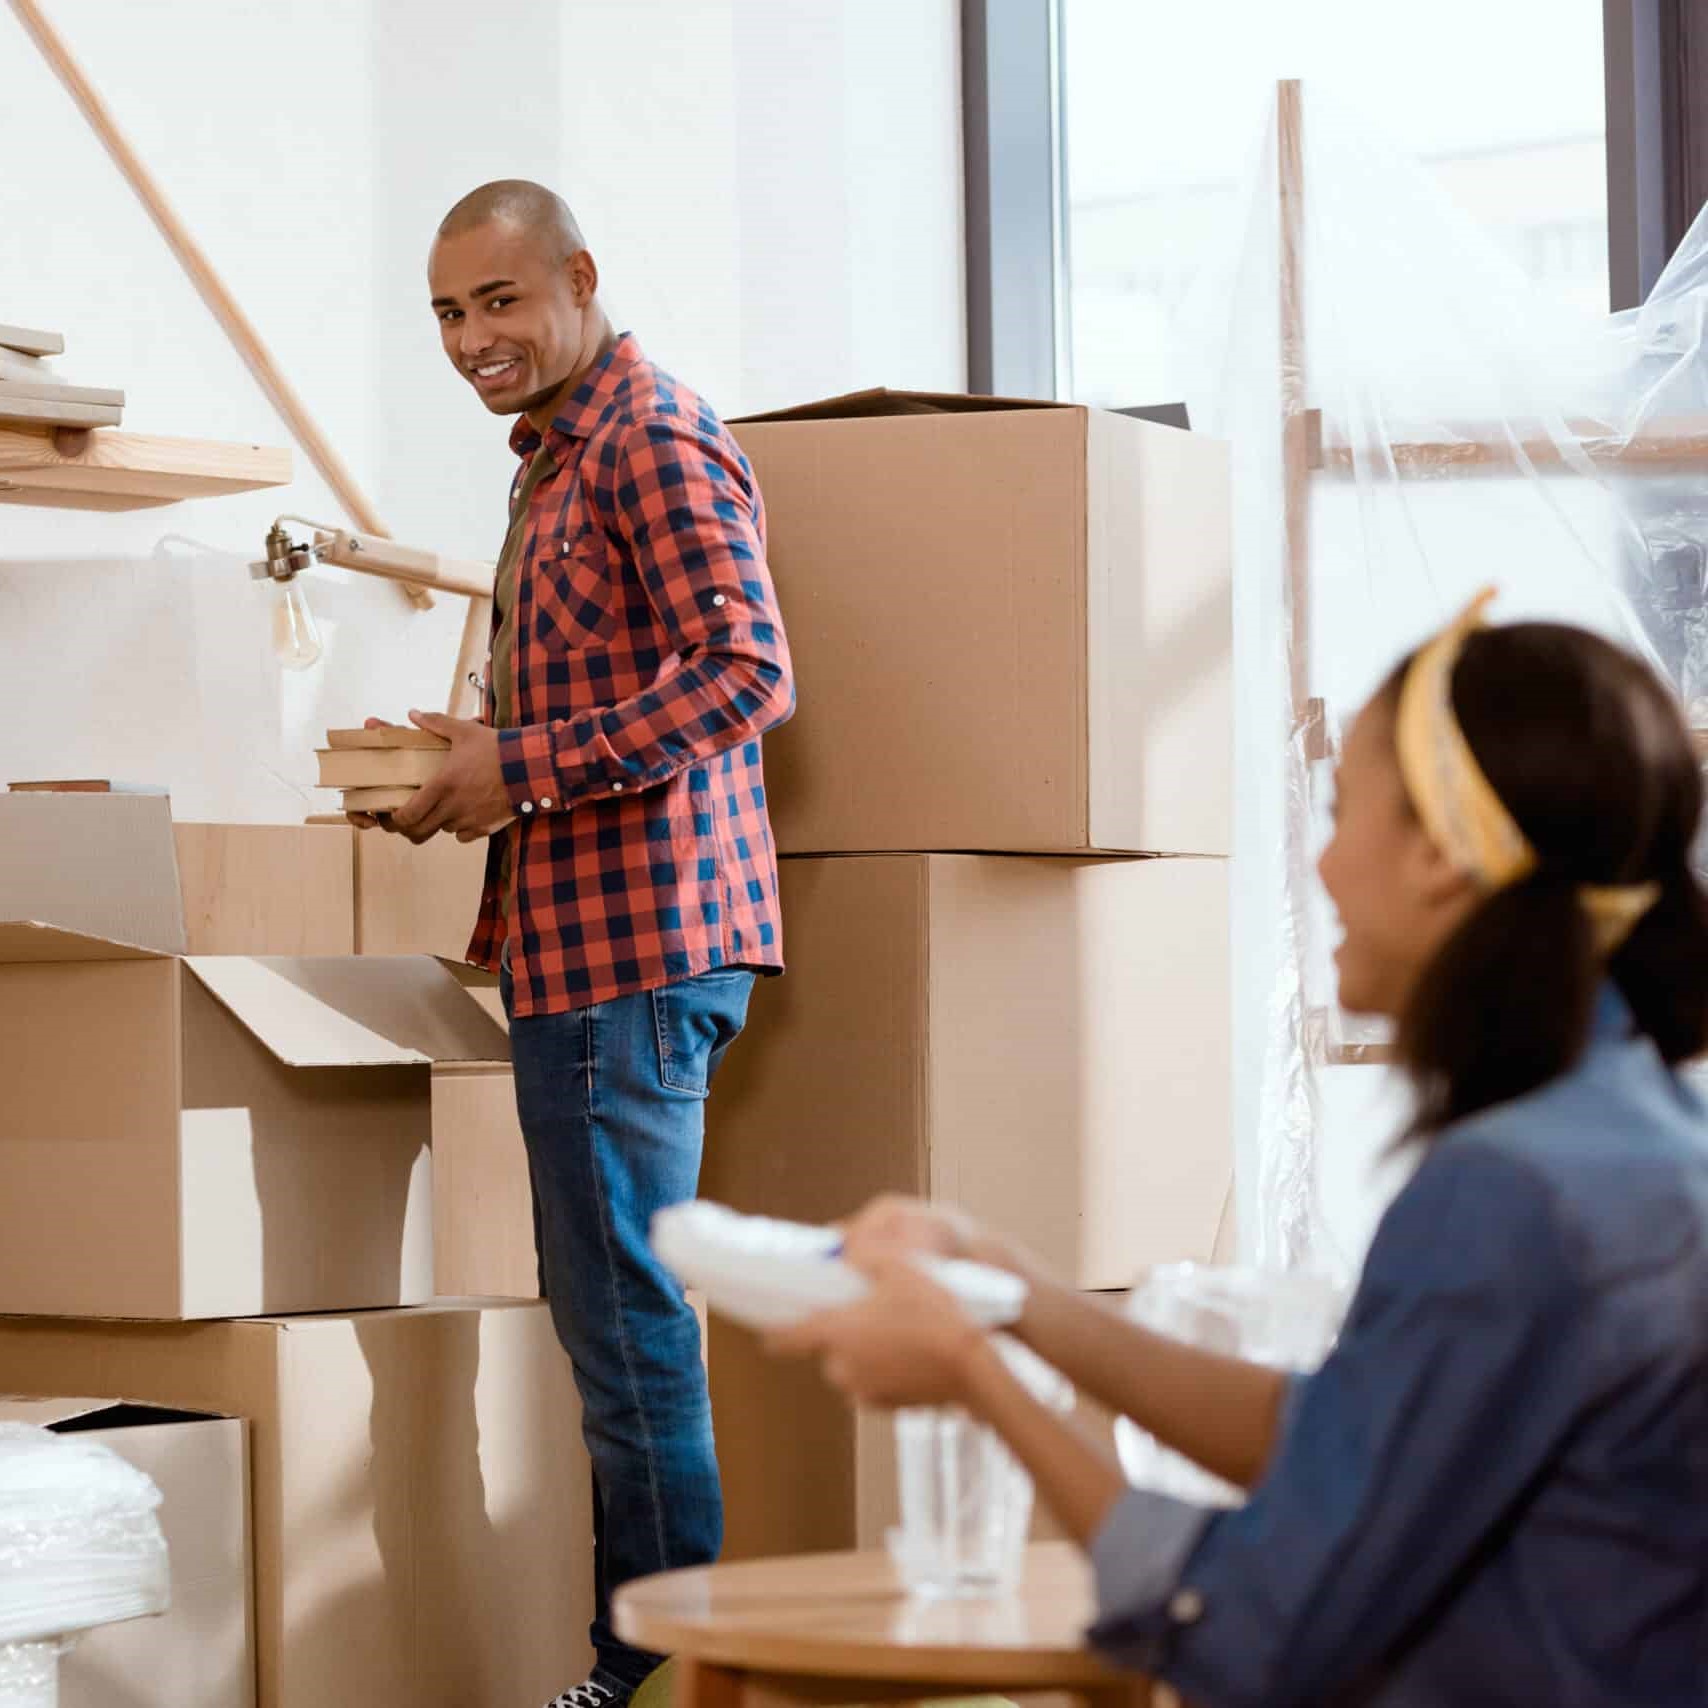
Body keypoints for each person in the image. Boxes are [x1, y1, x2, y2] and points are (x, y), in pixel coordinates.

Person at [773, 592, 1708, 1707]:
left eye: (1339, 806)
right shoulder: (1637, 1137)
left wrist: (975, 1377)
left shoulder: (1508, 1195)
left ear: (1439, 859)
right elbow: (1343, 1441)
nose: (1318, 866)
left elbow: (1249, 1627)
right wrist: (1010, 1291)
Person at [356, 180, 793, 1708]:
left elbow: (748, 675)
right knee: (618, 1329)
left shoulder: (647, 436)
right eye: (447, 315)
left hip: (638, 953)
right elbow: (611, 698)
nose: (474, 339)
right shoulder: (561, 457)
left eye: (498, 302)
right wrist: (478, 756)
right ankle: (664, 1662)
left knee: (628, 1340)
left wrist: (521, 769)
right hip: (588, 947)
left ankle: (657, 1673)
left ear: (579, 279)